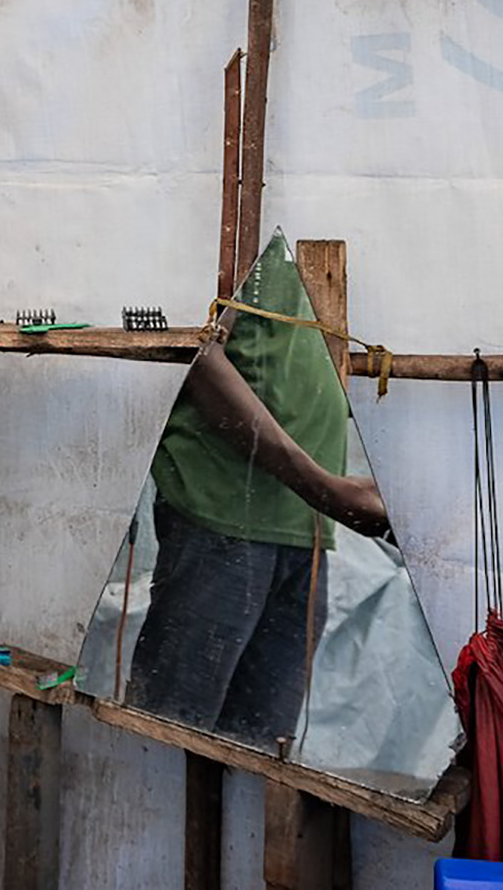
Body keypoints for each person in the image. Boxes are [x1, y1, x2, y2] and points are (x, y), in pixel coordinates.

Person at [126, 231, 388, 751]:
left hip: (303, 530)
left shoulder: (325, 224)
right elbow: (198, 351)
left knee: (263, 748)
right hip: (222, 512)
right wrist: (322, 487)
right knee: (169, 740)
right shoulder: (237, 221)